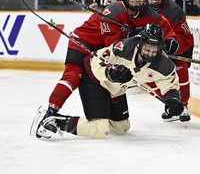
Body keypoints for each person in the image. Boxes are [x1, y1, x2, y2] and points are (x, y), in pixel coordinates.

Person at [33, 0, 177, 138]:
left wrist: (171, 39)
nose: (137, 1)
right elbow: (114, 47)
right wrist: (133, 34)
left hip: (101, 49)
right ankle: (50, 112)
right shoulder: (114, 11)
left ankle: (104, 119)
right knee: (74, 75)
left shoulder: (146, 13)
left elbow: (163, 24)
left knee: (110, 88)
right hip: (83, 41)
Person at [31, 24, 185, 139]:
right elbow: (96, 60)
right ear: (141, 43)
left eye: (155, 49)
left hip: (115, 89)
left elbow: (169, 84)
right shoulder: (124, 47)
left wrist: (173, 100)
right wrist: (110, 72)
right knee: (100, 129)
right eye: (147, 48)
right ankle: (54, 121)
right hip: (94, 79)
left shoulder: (164, 64)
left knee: (121, 128)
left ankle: (100, 116)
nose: (151, 53)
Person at [145, 0, 194, 122]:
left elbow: (187, 37)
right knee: (149, 78)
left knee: (180, 68)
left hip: (171, 52)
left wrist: (174, 45)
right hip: (147, 52)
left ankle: (183, 106)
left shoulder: (174, 11)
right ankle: (171, 104)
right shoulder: (139, 8)